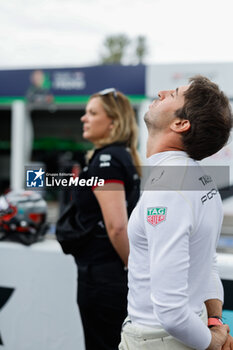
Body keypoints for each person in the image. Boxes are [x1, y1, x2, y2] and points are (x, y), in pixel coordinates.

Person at [119, 76, 233, 350]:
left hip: (158, 340)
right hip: (181, 332)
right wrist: (215, 323)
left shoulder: (168, 188)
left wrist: (211, 342)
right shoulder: (201, 180)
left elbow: (170, 310)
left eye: (173, 94)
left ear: (180, 124)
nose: (161, 92)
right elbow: (206, 264)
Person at [72, 88, 141, 350]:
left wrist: (134, 272)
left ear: (113, 122)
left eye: (92, 113)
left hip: (104, 278)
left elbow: (117, 227)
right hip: (107, 277)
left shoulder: (107, 160)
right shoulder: (120, 156)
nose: (83, 118)